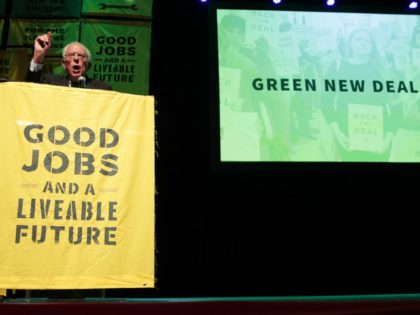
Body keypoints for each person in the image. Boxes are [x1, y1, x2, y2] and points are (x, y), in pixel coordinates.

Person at [322, 28, 399, 162]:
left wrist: (387, 141)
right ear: (350, 43)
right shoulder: (337, 68)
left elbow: (397, 109)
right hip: (346, 136)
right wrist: (337, 133)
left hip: (379, 138)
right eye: (358, 39)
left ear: (372, 46)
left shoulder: (384, 72)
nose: (363, 43)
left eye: (368, 41)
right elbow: (326, 102)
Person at [26, 32, 112, 90]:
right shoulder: (51, 83)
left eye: (81, 56)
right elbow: (31, 86)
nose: (76, 58)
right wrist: (38, 56)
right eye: (71, 55)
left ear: (88, 65)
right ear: (64, 64)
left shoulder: (102, 88)